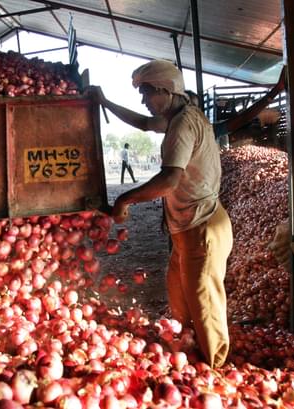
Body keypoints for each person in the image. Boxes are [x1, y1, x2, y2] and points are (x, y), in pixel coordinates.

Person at [89, 60, 233, 368]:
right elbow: (142, 123)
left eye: (146, 93)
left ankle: (215, 370)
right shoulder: (178, 116)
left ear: (165, 91)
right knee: (180, 296)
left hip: (202, 227)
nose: (143, 101)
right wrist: (104, 102)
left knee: (203, 302)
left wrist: (124, 199)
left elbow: (170, 180)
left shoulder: (182, 124)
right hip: (188, 227)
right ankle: (192, 353)